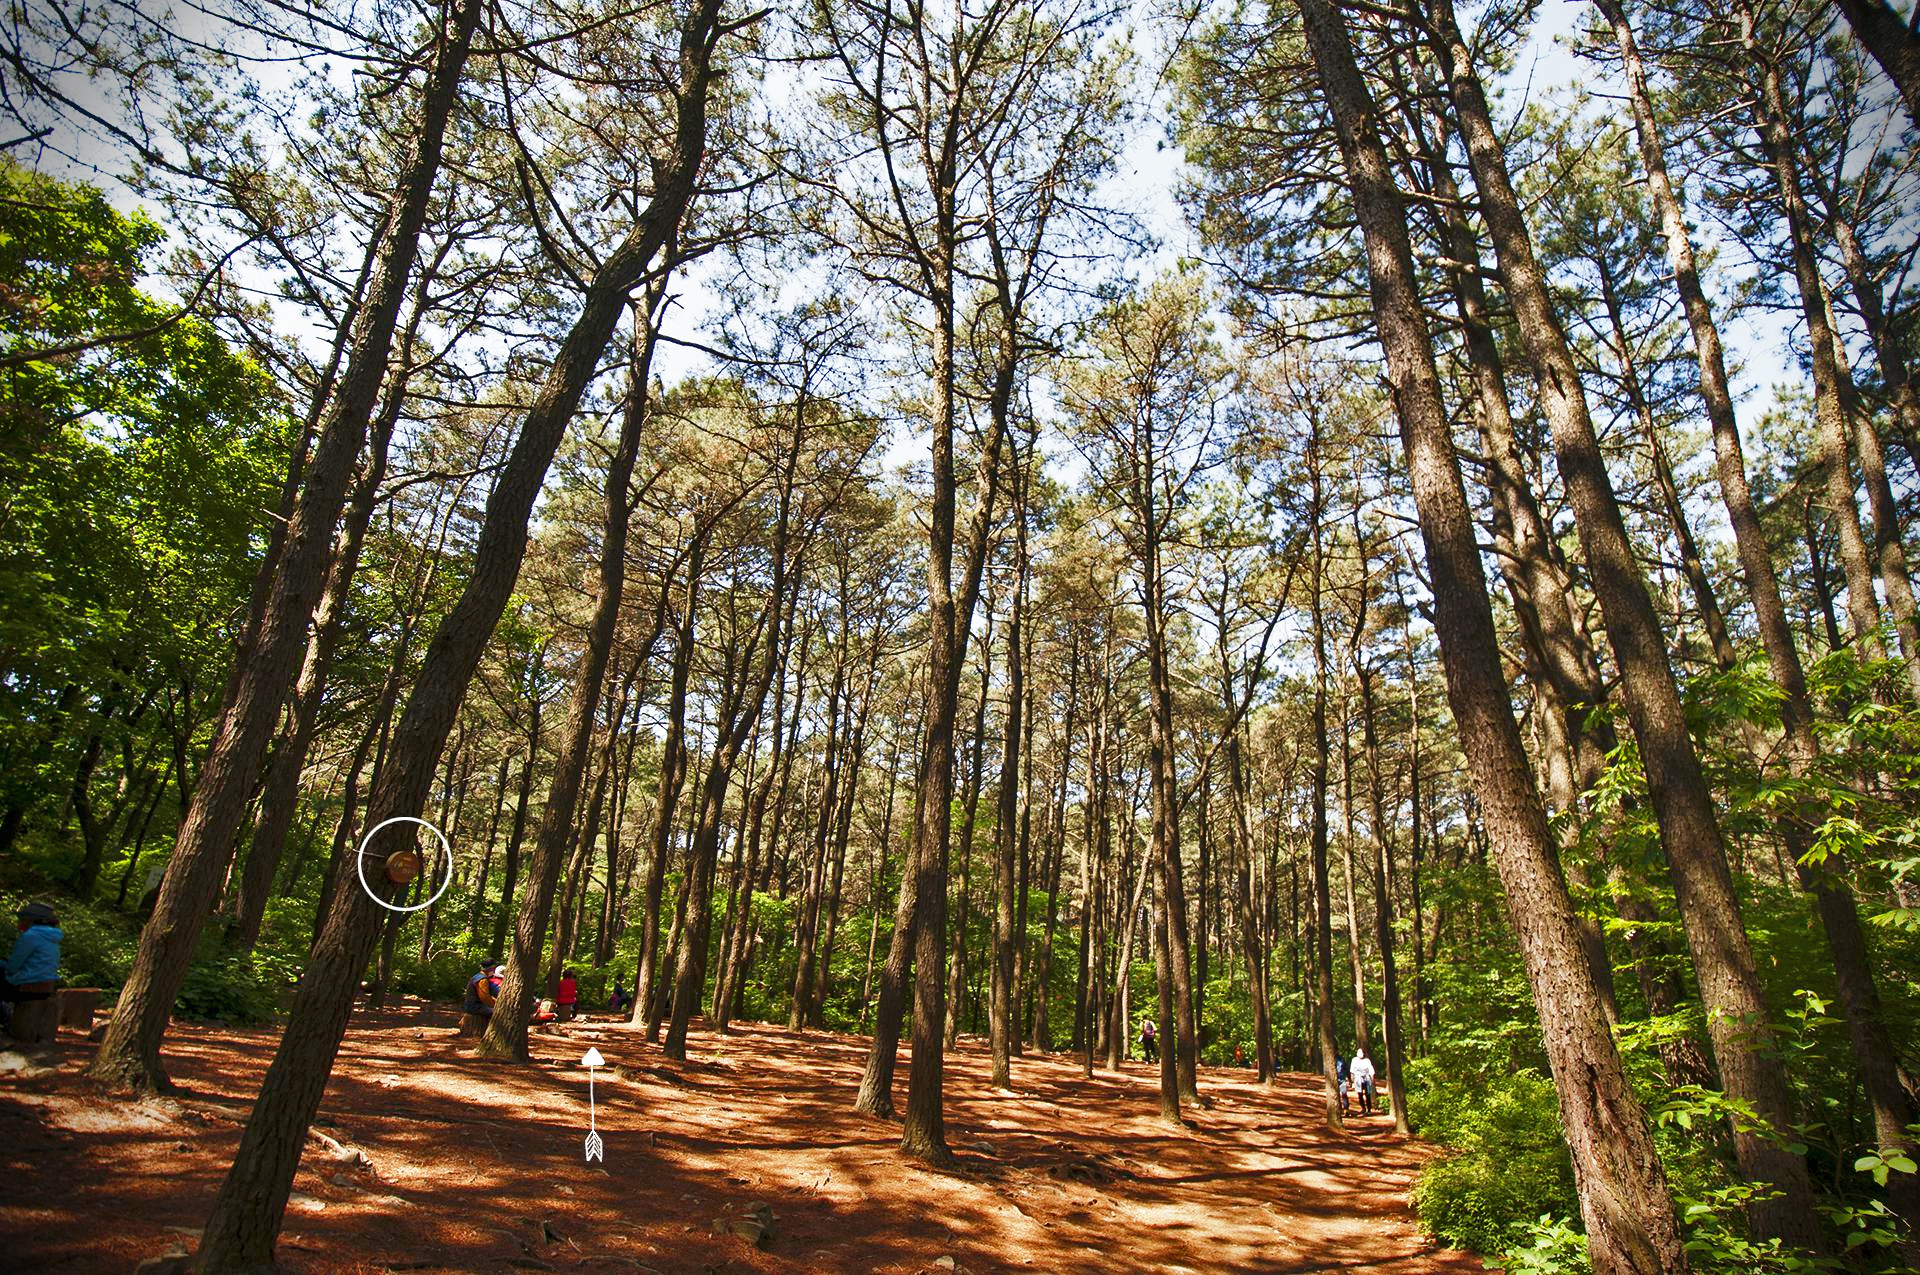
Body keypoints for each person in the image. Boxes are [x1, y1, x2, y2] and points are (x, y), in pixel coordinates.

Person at [0, 902, 62, 1029]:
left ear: (31, 921)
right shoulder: (51, 937)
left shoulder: (31, 936)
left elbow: (12, 968)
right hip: (46, 987)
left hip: (27, 988)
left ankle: (6, 1019)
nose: (19, 924)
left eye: (22, 920)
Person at [1350, 1048, 1377, 1116]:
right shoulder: (1354, 1060)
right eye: (1358, 1052)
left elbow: (1371, 1070)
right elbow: (1352, 1070)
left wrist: (1372, 1079)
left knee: (1368, 1094)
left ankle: (1369, 1109)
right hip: (1358, 1078)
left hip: (1366, 1078)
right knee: (1360, 1094)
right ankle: (1363, 1108)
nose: (1360, 1054)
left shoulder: (1367, 1060)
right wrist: (1352, 1079)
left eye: (1361, 1052)